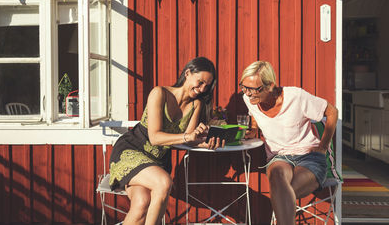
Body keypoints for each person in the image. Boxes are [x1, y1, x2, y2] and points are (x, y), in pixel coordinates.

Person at [109, 57, 224, 225]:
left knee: (141, 203)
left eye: (206, 86)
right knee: (163, 183)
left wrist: (204, 143)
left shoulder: (196, 105)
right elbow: (155, 137)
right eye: (199, 82)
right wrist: (188, 136)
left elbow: (188, 139)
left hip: (156, 161)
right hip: (132, 151)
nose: (201, 89)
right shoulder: (159, 93)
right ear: (187, 73)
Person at [239, 61, 338, 225]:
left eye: (254, 89)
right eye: (244, 87)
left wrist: (323, 147)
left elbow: (332, 112)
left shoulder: (296, 96)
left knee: (283, 192)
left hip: (309, 157)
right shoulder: (249, 99)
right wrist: (255, 129)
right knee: (278, 177)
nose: (248, 94)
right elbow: (254, 114)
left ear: (270, 86)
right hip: (278, 157)